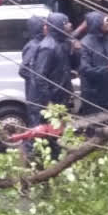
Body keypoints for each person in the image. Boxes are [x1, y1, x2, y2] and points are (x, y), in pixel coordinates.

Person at [31, 12, 72, 158]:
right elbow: (40, 76)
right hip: (51, 101)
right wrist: (48, 101)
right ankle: (38, 163)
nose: (69, 26)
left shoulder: (61, 44)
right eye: (66, 23)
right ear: (59, 26)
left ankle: (54, 160)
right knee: (46, 133)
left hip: (59, 98)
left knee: (57, 132)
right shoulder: (48, 47)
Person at [18, 15, 45, 155]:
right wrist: (37, 80)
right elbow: (23, 70)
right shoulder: (33, 46)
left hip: (37, 92)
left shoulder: (42, 43)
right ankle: (30, 152)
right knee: (35, 122)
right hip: (34, 93)